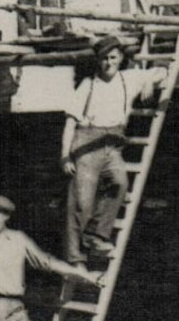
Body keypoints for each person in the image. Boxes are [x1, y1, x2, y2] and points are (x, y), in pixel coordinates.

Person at [61, 36, 168, 265]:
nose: (108, 63)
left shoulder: (130, 79)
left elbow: (163, 70)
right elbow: (70, 122)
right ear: (98, 61)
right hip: (87, 144)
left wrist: (149, 81)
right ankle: (75, 258)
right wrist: (65, 156)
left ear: (120, 58)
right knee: (81, 202)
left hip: (113, 144)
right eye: (104, 59)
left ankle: (96, 235)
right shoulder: (88, 85)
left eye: (112, 57)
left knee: (119, 183)